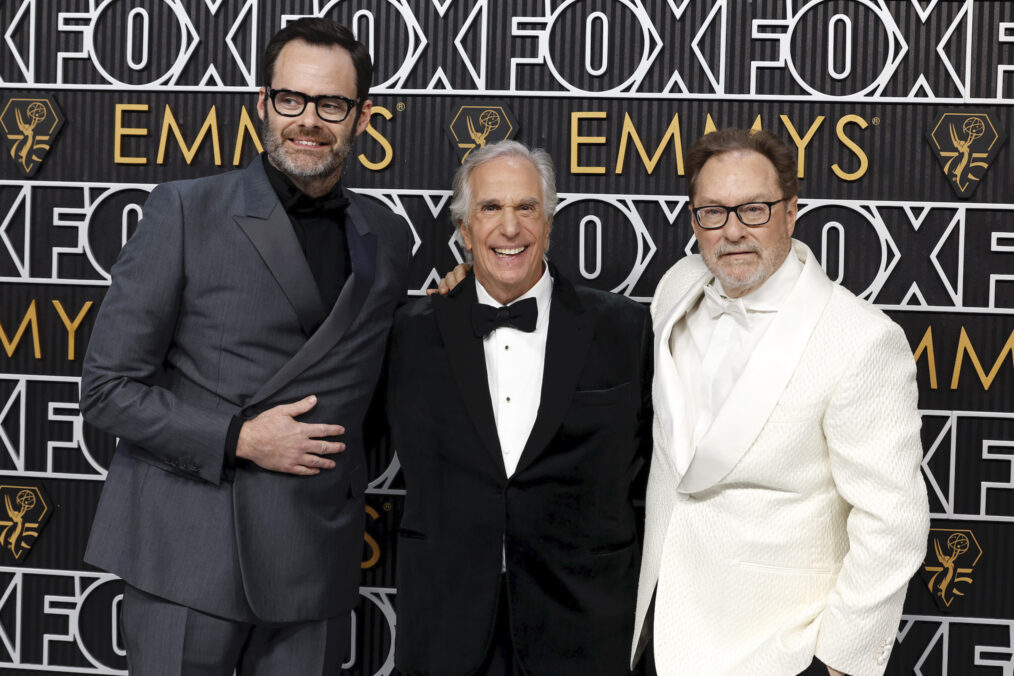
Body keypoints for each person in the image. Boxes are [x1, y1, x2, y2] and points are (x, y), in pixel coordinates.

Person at [80, 18, 410, 674]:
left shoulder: (388, 238)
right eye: (291, 99)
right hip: (189, 555)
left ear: (363, 118)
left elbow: (386, 372)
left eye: (331, 105)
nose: (308, 120)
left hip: (313, 561)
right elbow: (107, 390)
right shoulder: (184, 211)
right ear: (263, 103)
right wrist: (238, 437)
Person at [633, 128, 929, 676]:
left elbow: (894, 523)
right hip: (657, 633)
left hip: (776, 654)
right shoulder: (676, 288)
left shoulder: (860, 339)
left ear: (791, 213)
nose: (733, 232)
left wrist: (836, 662)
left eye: (754, 209)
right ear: (694, 219)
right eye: (713, 213)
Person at [386, 140, 652, 675]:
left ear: (549, 222)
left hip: (581, 624)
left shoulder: (624, 329)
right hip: (446, 624)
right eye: (490, 208)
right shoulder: (408, 334)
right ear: (464, 230)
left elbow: (651, 471)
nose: (510, 228)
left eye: (526, 207)